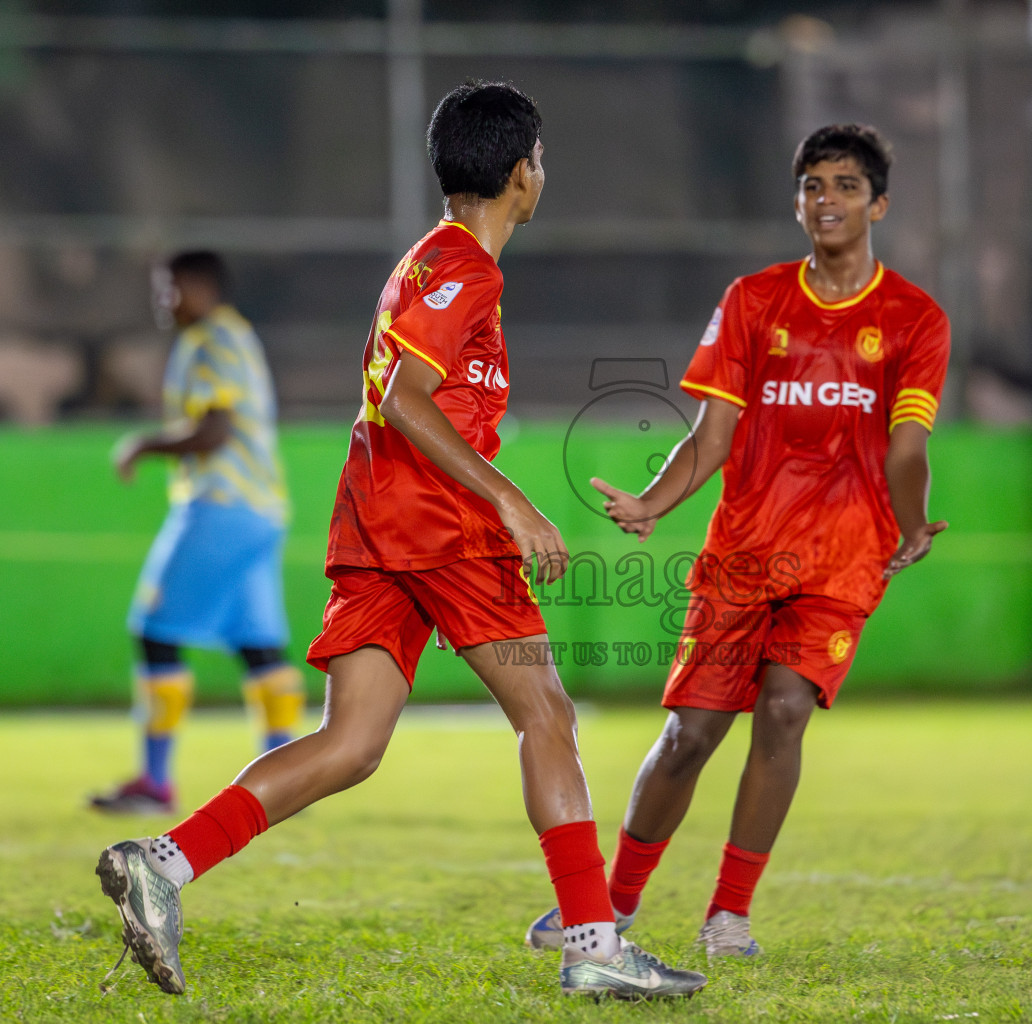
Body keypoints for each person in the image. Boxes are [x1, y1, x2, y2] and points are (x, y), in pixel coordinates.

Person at [93, 81, 707, 1001]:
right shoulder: (467, 269)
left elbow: (398, 397)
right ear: (517, 173)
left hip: (379, 522)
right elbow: (403, 399)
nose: (543, 176)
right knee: (546, 715)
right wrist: (511, 502)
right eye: (540, 161)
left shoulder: (424, 262)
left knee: (351, 743)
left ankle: (164, 863)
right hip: (441, 527)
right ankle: (593, 943)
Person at [525, 123, 950, 959]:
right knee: (689, 735)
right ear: (796, 203)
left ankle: (729, 915)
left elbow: (907, 445)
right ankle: (612, 903)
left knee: (786, 712)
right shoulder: (754, 301)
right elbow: (710, 438)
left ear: (879, 204)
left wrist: (908, 520)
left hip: (843, 557)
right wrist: (653, 502)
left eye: (844, 186)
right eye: (812, 186)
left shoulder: (913, 319)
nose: (825, 200)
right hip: (744, 553)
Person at [90, 251, 303, 816]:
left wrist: (144, 444)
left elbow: (215, 430)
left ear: (200, 286)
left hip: (220, 505)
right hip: (262, 509)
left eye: (170, 288)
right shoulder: (235, 337)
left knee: (155, 629)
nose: (164, 300)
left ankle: (156, 783)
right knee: (260, 648)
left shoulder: (213, 341)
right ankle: (286, 779)